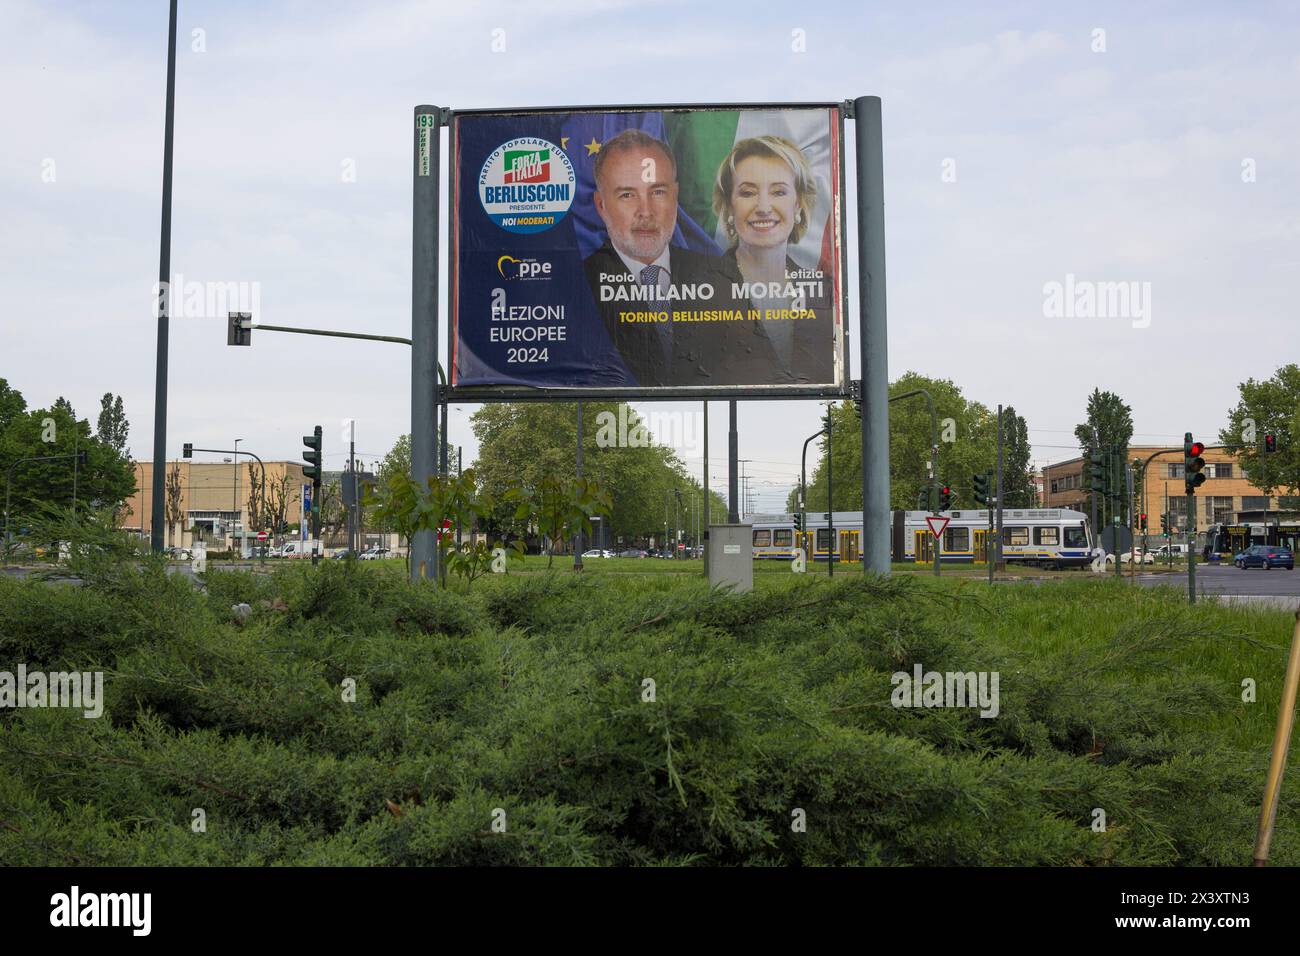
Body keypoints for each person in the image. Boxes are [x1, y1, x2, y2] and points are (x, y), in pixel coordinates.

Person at [582, 129, 733, 387]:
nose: (646, 212)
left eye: (658, 192)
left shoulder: (722, 278)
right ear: (601, 205)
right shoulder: (578, 286)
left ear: (676, 196)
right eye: (627, 195)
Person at [710, 135, 835, 385]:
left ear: (798, 204)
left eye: (778, 192)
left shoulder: (825, 292)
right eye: (748, 193)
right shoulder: (694, 290)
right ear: (729, 205)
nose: (764, 207)